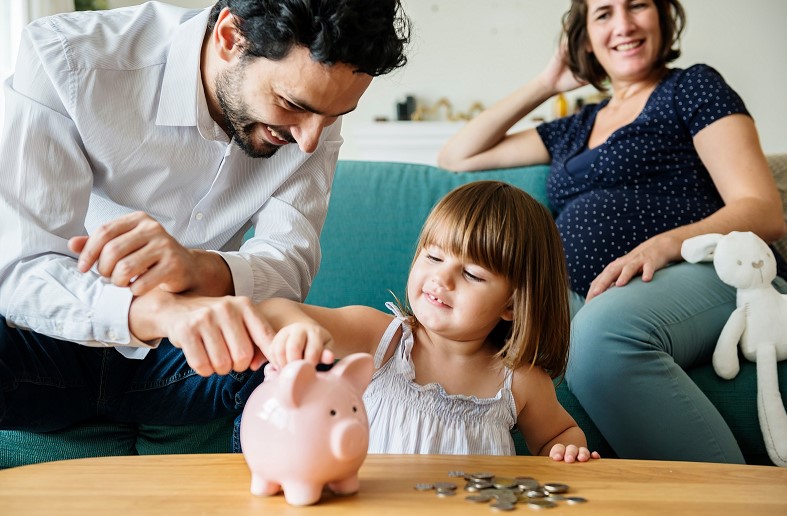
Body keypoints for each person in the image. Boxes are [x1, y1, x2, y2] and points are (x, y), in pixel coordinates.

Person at [0, 0, 409, 435]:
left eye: (333, 118)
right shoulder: (67, 59)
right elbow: (19, 269)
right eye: (291, 104)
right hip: (49, 346)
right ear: (230, 37)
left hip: (189, 359)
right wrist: (155, 310)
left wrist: (201, 268)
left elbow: (288, 268)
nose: (309, 141)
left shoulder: (315, 113)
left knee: (291, 365)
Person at [437, 0, 787, 463]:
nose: (623, 24)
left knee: (601, 338)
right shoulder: (576, 125)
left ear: (662, 17)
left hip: (701, 269)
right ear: (584, 38)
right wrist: (547, 83)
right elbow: (457, 156)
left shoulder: (692, 87)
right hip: (590, 290)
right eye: (603, 13)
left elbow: (763, 210)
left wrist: (665, 245)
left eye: (637, 5)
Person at [257, 181, 600, 461]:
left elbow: (558, 435)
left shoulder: (519, 380)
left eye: (471, 274)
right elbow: (274, 311)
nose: (442, 278)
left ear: (511, 304)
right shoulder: (381, 338)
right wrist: (300, 328)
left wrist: (567, 451)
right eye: (433, 256)